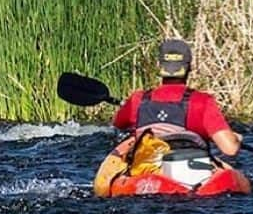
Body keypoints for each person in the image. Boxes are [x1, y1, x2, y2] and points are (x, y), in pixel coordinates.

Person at [95, 38, 241, 195]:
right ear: (189, 67)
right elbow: (230, 149)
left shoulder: (138, 100)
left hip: (148, 172)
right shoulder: (202, 101)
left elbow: (118, 124)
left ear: (160, 67)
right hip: (195, 177)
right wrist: (237, 138)